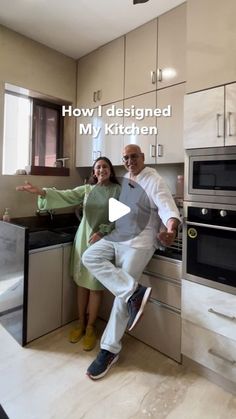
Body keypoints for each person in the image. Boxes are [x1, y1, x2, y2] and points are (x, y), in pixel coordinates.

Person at [82, 144, 181, 379]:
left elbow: (168, 208)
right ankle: (134, 293)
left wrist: (171, 229)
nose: (129, 161)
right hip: (118, 237)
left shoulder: (154, 179)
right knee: (90, 256)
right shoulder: (126, 179)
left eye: (133, 156)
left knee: (119, 298)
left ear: (143, 157)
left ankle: (109, 350)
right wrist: (103, 231)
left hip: (140, 243)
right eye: (125, 158)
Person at [16, 157, 120, 351]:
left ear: (110, 170)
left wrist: (102, 231)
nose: (101, 170)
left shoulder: (117, 191)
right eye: (98, 167)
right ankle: (80, 323)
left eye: (105, 166)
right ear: (93, 172)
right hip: (82, 240)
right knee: (81, 284)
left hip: (103, 242)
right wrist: (41, 191)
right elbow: (67, 195)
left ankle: (91, 328)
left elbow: (119, 217)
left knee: (95, 286)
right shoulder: (87, 190)